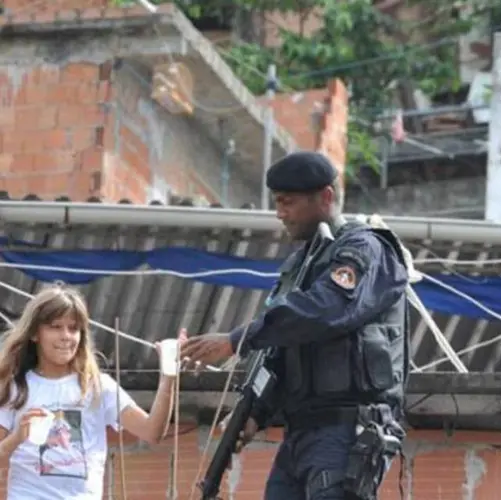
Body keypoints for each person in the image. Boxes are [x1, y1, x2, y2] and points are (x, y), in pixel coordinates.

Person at [181, 151, 410, 500]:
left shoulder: (366, 248)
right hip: (301, 433)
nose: (279, 213)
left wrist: (237, 340)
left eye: (287, 202)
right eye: (277, 202)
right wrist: (255, 414)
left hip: (346, 430)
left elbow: (325, 310)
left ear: (326, 197)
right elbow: (283, 349)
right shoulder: (303, 264)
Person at [0, 284, 183, 499]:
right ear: (34, 334)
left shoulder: (99, 386)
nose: (66, 336)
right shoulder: (15, 387)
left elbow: (152, 432)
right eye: (55, 327)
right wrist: (18, 437)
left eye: (73, 328)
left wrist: (168, 376)